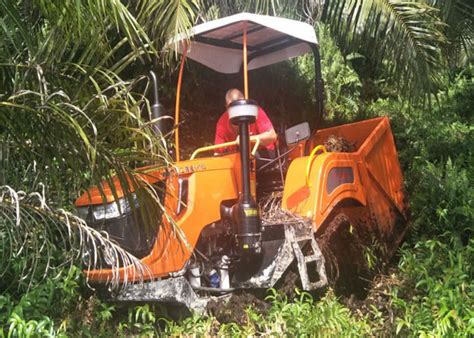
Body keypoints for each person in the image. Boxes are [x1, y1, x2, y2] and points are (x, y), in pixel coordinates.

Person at [214, 89, 277, 157]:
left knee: (246, 157)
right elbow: (218, 152)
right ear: (227, 108)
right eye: (232, 106)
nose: (237, 110)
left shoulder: (255, 111)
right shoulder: (222, 123)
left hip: (264, 153)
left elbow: (272, 136)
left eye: (239, 105)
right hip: (236, 158)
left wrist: (246, 139)